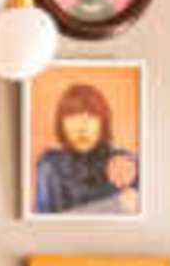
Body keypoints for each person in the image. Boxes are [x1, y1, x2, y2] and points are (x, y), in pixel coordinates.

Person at [33, 81, 139, 215]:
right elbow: (42, 222)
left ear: (103, 122)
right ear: (61, 123)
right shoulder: (50, 164)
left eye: (91, 117)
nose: (82, 127)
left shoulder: (124, 161)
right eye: (72, 117)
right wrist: (116, 205)